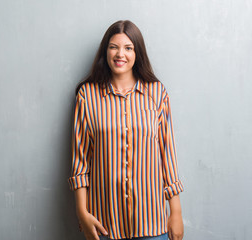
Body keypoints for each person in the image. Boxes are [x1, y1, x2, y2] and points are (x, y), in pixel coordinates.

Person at [68, 20, 184, 240]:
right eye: (114, 47)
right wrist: (82, 212)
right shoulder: (87, 96)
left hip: (152, 223)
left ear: (137, 53)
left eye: (128, 48)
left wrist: (176, 212)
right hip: (104, 224)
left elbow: (167, 156)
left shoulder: (157, 93)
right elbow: (80, 160)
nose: (120, 54)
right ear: (106, 51)